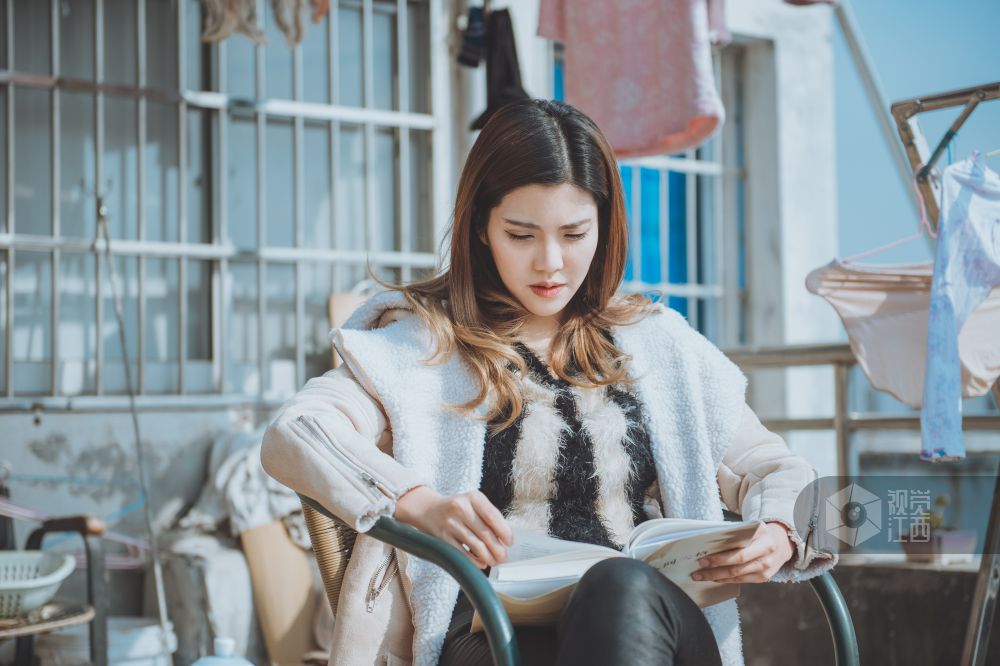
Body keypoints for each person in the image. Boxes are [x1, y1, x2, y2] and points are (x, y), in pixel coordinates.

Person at [261, 99, 836, 666]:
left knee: (620, 589)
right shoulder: (420, 346)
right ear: (481, 227)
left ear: (604, 227)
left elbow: (780, 468)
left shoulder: (659, 345)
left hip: (648, 624)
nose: (550, 263)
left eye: (573, 233)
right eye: (521, 235)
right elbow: (297, 432)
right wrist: (422, 505)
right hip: (495, 634)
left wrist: (784, 530)